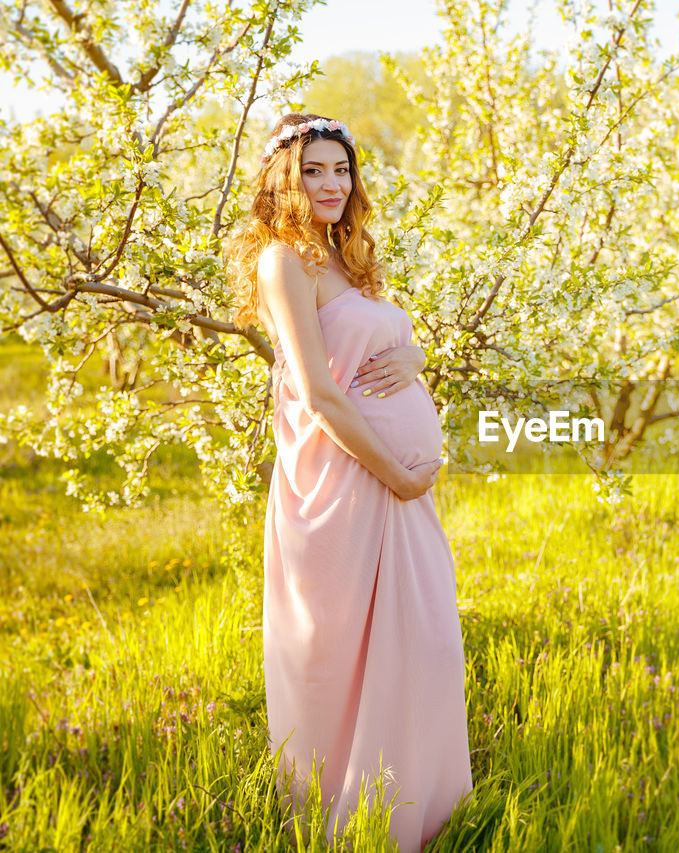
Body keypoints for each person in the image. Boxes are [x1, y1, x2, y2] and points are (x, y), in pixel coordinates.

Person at [221, 112, 474, 851]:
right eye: (313, 170)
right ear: (284, 178)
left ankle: (419, 816)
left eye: (341, 170)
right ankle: (350, 827)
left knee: (421, 644)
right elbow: (318, 392)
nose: (332, 184)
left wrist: (418, 355)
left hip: (397, 490)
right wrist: (396, 471)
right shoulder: (283, 261)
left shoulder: (346, 255)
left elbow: (381, 338)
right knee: (339, 660)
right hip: (343, 488)